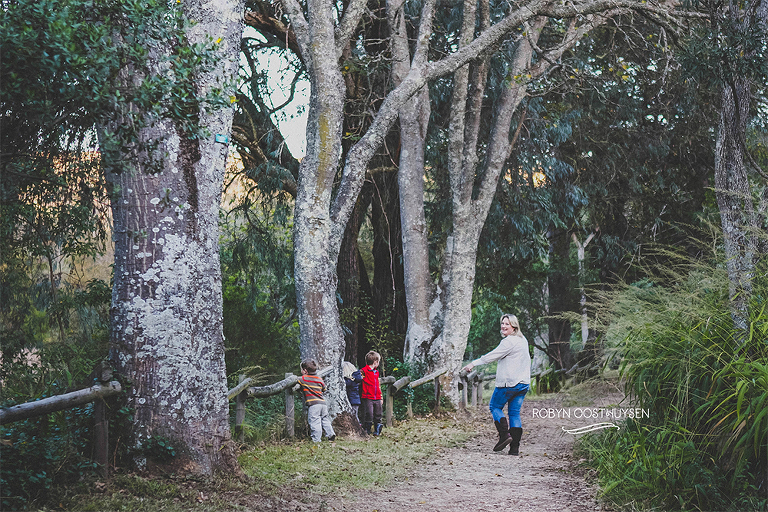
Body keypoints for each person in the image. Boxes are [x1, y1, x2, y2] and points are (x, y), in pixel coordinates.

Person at [462, 314, 531, 455]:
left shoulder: (509, 341)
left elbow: (492, 356)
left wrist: (473, 363)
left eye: (507, 324)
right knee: (514, 413)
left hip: (509, 383)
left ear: (514, 326)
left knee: (495, 407)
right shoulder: (523, 340)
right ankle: (514, 448)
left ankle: (505, 436)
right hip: (523, 383)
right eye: (503, 323)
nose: (504, 326)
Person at [298, 359, 336, 442]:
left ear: (305, 371)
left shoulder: (303, 379)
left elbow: (296, 380)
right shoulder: (319, 379)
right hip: (322, 403)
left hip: (313, 404)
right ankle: (330, 434)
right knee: (325, 420)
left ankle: (316, 439)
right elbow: (324, 389)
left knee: (314, 421)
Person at [360, 350, 383, 436]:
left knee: (378, 413)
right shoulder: (364, 371)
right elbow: (359, 378)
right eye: (378, 362)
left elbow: (378, 385)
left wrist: (381, 397)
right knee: (369, 413)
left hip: (377, 396)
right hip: (368, 396)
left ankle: (377, 429)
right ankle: (367, 429)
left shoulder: (376, 372)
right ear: (375, 362)